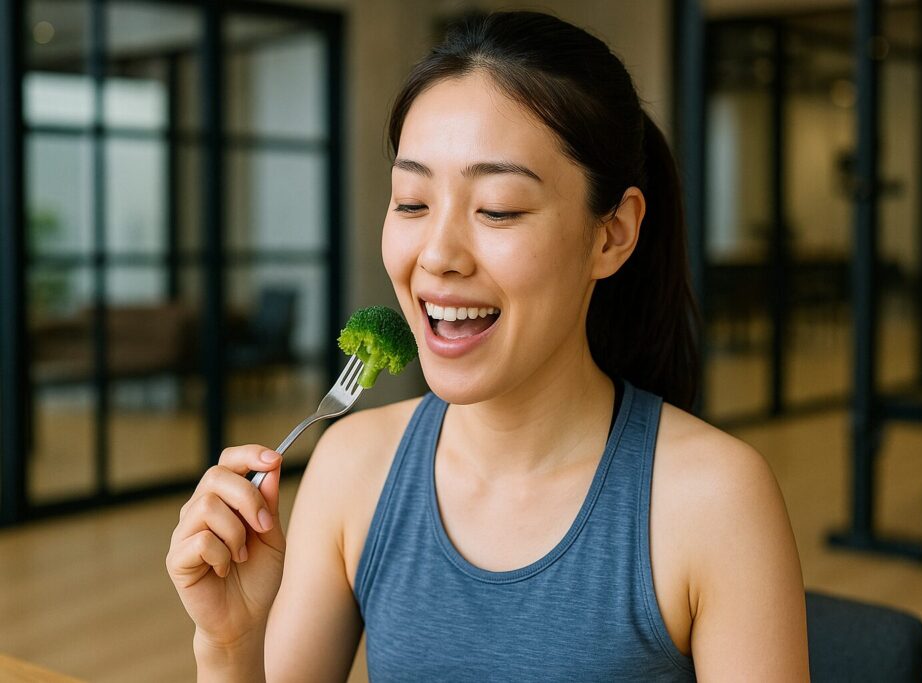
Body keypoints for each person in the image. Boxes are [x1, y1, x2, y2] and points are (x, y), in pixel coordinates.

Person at [167, 10, 809, 681]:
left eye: (498, 208)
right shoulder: (353, 467)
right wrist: (231, 642)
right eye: (412, 202)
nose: (438, 254)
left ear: (612, 234)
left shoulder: (715, 500)